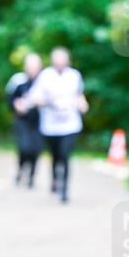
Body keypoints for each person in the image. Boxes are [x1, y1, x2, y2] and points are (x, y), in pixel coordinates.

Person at [17, 47, 88, 203]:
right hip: (50, 125)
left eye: (63, 59)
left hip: (70, 124)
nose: (60, 62)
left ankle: (65, 190)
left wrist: (82, 104)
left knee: (65, 155)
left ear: (68, 61)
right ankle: (55, 179)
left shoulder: (74, 76)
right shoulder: (46, 75)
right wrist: (32, 103)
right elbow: (34, 96)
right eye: (57, 59)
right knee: (56, 156)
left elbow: (78, 94)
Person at [5, 52, 45, 188]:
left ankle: (32, 176)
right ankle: (21, 170)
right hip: (22, 120)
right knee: (24, 147)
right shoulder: (17, 80)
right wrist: (16, 105)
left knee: (36, 149)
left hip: (39, 121)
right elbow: (9, 99)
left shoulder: (44, 81)